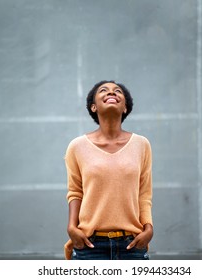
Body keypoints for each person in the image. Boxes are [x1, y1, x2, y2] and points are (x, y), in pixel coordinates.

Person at [64, 80, 153, 260]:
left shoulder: (141, 145)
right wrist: (72, 228)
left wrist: (149, 228)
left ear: (125, 108)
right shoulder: (77, 146)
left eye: (117, 91)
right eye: (104, 90)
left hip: (132, 245)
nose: (111, 93)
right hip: (90, 245)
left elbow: (144, 193)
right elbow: (75, 192)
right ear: (94, 107)